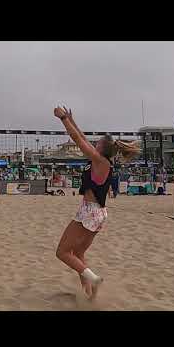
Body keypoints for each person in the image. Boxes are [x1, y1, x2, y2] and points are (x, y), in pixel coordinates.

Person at [53, 106, 140, 300]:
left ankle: (93, 279)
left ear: (101, 148)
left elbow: (77, 139)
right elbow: (82, 137)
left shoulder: (99, 160)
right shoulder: (103, 160)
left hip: (89, 213)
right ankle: (89, 295)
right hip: (99, 213)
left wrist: (63, 119)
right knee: (78, 253)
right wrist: (72, 120)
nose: (94, 143)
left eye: (97, 142)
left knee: (62, 252)